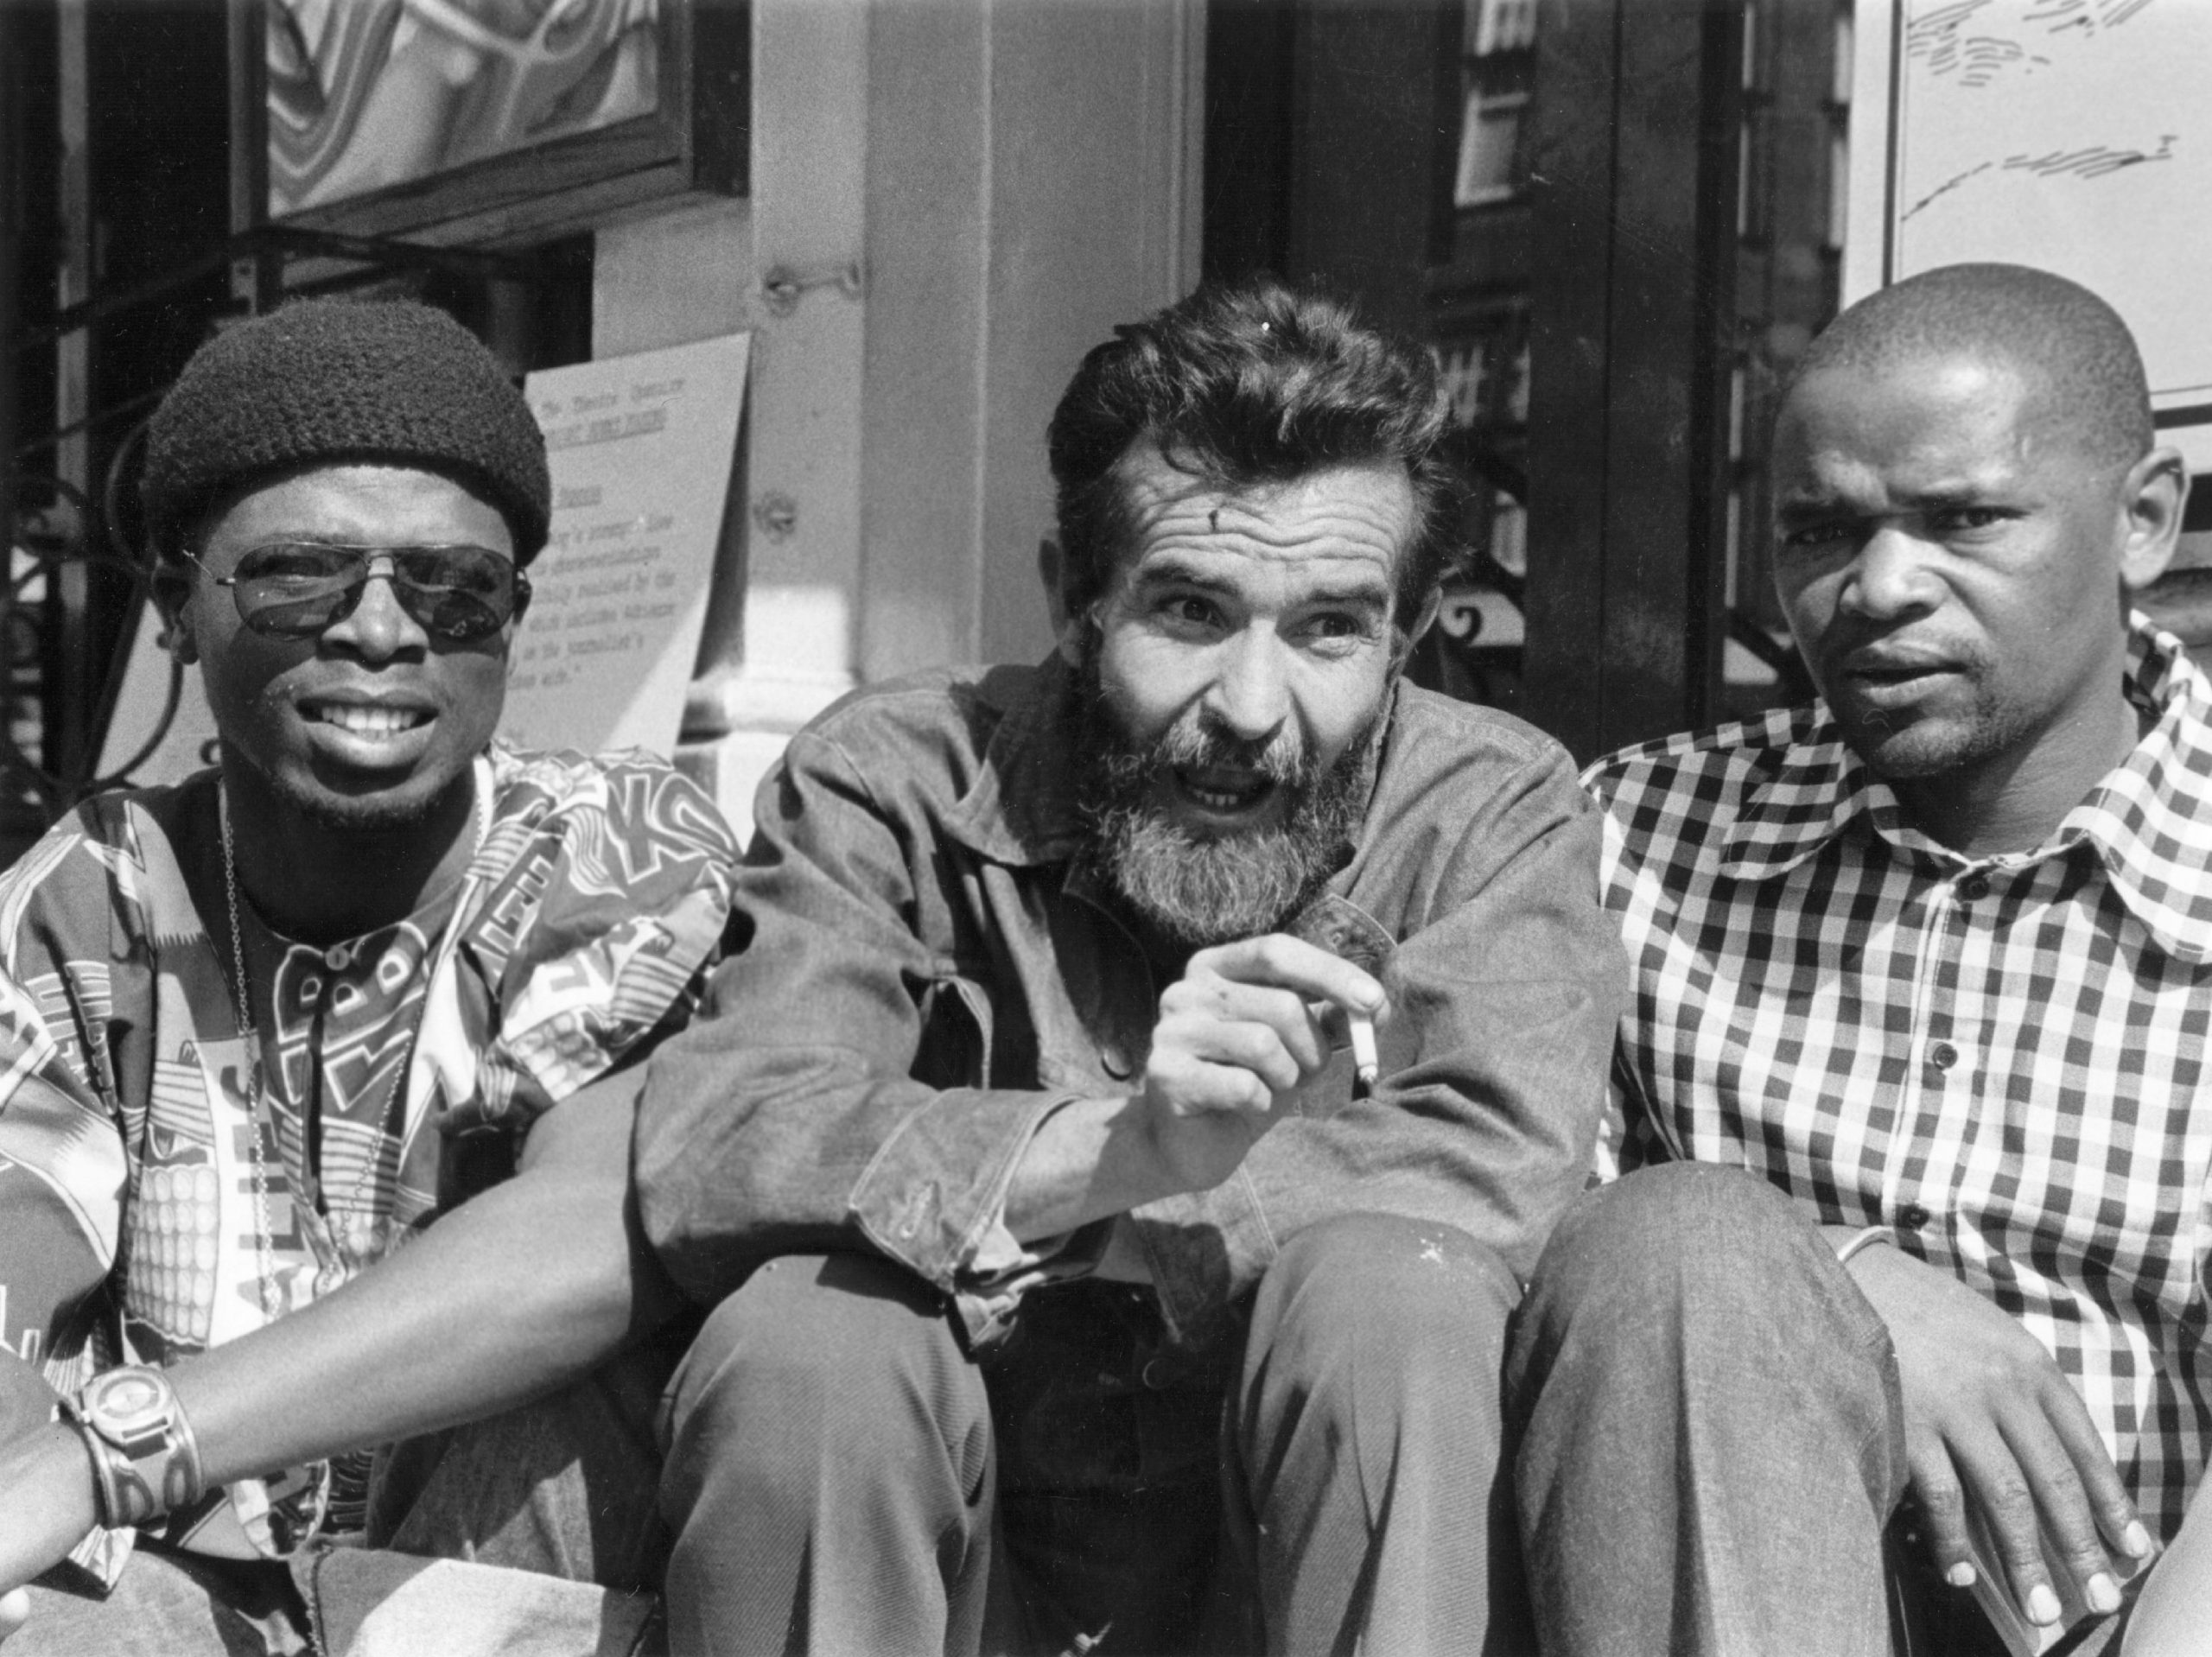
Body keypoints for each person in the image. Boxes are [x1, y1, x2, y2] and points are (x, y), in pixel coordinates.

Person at [629, 278, 1626, 1656]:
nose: (1252, 711)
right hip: (961, 1571)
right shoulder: (892, 779)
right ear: (1074, 601)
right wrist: (1124, 1148)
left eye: (1330, 627)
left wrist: (1074, 1211)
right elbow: (725, 1143)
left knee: (1394, 1295)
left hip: (1290, 1566)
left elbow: (1492, 1158)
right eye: (1191, 611)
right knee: (810, 1343)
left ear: (1408, 631)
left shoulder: (1490, 807)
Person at [0, 297, 738, 1653]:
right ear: (176, 606)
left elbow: (582, 1245)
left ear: (511, 621)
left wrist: (113, 1450)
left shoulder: (610, 852)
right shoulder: (91, 900)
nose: (384, 632)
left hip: (509, 1581)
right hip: (181, 1593)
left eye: (454, 588)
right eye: (302, 576)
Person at [1517, 262, 2210, 1657]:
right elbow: (1480, 1192)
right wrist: (1846, 1271)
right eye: (1821, 529)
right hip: (1728, 1595)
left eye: (1965, 520)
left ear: (2141, 519)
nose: (1878, 587)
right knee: (1681, 1245)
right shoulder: (1638, 831)